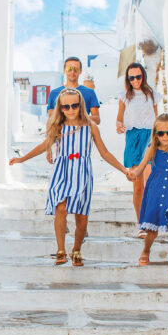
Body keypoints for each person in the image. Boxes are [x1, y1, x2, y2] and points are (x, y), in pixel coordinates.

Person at [10, 89, 130, 266]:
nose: (71, 110)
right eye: (66, 107)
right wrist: (22, 159)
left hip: (82, 173)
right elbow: (44, 145)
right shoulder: (58, 126)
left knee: (81, 218)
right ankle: (61, 250)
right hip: (62, 171)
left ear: (81, 105)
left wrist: (124, 170)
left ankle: (76, 250)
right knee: (61, 207)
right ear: (61, 108)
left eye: (74, 105)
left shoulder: (91, 127)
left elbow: (104, 153)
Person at [129, 114, 168, 278]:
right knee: (152, 231)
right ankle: (146, 250)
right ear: (155, 134)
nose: (165, 137)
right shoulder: (152, 149)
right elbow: (141, 167)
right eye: (161, 133)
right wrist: (132, 173)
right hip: (156, 192)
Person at [116, 63, 158, 236]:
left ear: (143, 76)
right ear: (128, 79)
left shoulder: (152, 95)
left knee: (148, 181)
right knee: (137, 185)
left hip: (149, 136)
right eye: (131, 77)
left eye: (138, 77)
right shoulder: (124, 96)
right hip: (133, 138)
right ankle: (141, 224)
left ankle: (149, 221)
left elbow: (157, 117)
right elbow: (119, 118)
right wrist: (119, 125)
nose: (135, 80)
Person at [47, 57, 100, 125]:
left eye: (76, 69)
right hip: (61, 131)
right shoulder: (53, 93)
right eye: (69, 69)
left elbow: (97, 119)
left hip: (83, 131)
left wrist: (76, 119)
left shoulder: (90, 92)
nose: (72, 72)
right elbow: (51, 118)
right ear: (64, 70)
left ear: (80, 71)